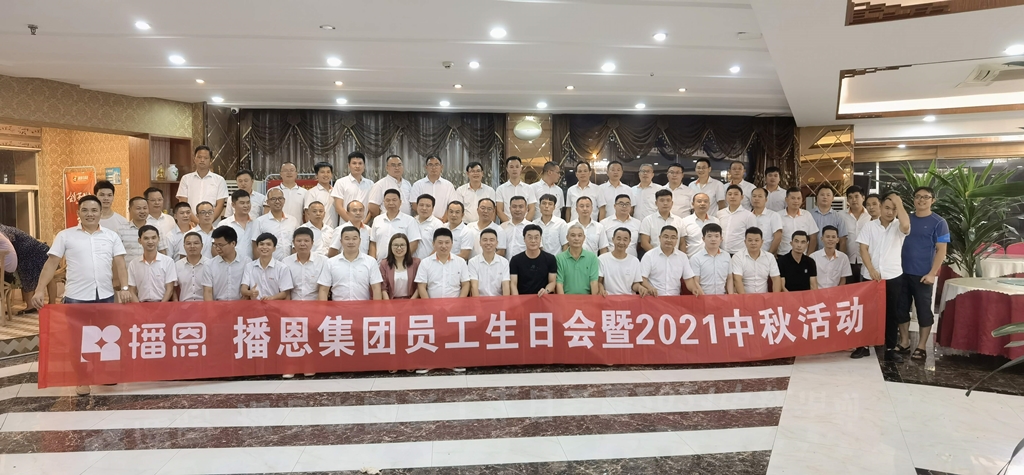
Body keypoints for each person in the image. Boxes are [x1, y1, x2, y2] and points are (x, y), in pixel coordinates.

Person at [33, 195, 130, 396]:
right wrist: (39, 289)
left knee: (107, 338)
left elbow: (120, 263)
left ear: (100, 213)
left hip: (105, 296)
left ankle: (104, 374)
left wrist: (125, 287)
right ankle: (82, 379)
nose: (90, 214)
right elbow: (51, 264)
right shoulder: (65, 236)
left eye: (94, 210)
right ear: (78, 213)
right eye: (85, 210)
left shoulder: (111, 236)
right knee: (77, 342)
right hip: (76, 297)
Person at [857, 192, 911, 362]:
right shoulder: (869, 226)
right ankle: (864, 346)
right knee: (867, 312)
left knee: (891, 313)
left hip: (892, 276)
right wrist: (871, 269)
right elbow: (863, 249)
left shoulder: (898, 227)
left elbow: (906, 224)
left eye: (894, 209)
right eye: (887, 208)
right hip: (870, 276)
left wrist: (898, 202)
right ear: (880, 207)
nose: (890, 212)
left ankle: (890, 349)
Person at [899, 186, 950, 361]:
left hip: (923, 275)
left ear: (933, 200)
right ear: (913, 199)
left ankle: (921, 346)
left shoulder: (939, 222)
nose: (921, 200)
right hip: (901, 273)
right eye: (918, 196)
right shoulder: (906, 219)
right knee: (901, 310)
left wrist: (932, 273)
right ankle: (904, 342)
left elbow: (942, 250)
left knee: (923, 312)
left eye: (926, 197)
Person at [0, 224, 59, 310]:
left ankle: (32, 306)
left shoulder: (2, 231)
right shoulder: (4, 229)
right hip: (37, 249)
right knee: (48, 277)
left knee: (29, 277)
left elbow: (8, 246)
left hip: (28, 251)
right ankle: (50, 304)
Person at [318, 225, 384, 301]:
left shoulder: (371, 262)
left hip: (363, 306)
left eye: (354, 239)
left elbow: (376, 289)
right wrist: (323, 308)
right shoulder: (330, 263)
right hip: (338, 307)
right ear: (341, 241)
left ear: (360, 241)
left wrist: (376, 308)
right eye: (347, 239)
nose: (351, 242)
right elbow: (323, 290)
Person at [640, 226, 702, 296]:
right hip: (654, 297)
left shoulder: (682, 257)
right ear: (659, 238)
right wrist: (650, 288)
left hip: (674, 298)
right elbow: (642, 278)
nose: (669, 240)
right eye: (666, 237)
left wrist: (693, 289)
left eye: (673, 237)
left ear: (677, 239)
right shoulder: (649, 256)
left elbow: (688, 279)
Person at [176, 145, 228, 225]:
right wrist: (196, 222)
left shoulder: (219, 180)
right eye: (199, 157)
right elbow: (183, 203)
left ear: (211, 161)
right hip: (190, 225)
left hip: (212, 225)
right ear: (194, 159)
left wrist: (208, 222)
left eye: (206, 158)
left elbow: (220, 205)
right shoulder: (186, 179)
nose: (202, 160)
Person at [415, 228, 470, 298]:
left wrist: (459, 302)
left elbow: (465, 284)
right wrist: (428, 303)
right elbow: (421, 286)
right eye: (440, 243)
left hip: (455, 303)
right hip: (432, 303)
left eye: (447, 242)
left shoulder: (461, 262)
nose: (444, 246)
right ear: (433, 244)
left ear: (452, 243)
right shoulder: (425, 263)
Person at [127, 225, 176, 302]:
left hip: (163, 304)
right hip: (141, 304)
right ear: (139, 240)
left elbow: (170, 289)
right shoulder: (133, 264)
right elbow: (132, 290)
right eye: (146, 238)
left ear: (158, 239)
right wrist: (139, 307)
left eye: (153, 238)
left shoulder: (168, 262)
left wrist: (161, 307)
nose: (150, 241)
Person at [369, 189, 422, 261]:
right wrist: (373, 261)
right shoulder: (377, 220)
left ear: (400, 202)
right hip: (379, 264)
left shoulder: (409, 220)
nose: (391, 203)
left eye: (394, 200)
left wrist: (401, 260)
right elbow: (373, 242)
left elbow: (413, 243)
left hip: (401, 264)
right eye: (388, 200)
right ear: (384, 203)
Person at [241, 233, 293, 301]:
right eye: (261, 244)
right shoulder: (249, 266)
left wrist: (271, 298)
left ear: (274, 248)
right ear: (257, 248)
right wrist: (250, 292)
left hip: (274, 305)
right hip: (255, 305)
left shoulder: (282, 268)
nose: (264, 247)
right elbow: (243, 289)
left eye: (268, 244)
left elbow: (285, 293)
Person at [202, 226, 249, 301]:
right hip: (217, 305)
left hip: (240, 305)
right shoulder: (209, 265)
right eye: (215, 245)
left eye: (220, 245)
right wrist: (211, 308)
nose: (217, 248)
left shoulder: (246, 263)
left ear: (233, 243)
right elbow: (208, 292)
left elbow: (249, 289)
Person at [510, 224, 557, 296]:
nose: (533, 241)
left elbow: (552, 282)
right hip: (522, 299)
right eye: (530, 237)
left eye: (536, 237)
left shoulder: (550, 259)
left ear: (540, 239)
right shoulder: (515, 260)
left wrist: (546, 290)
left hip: (543, 298)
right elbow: (513, 284)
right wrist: (517, 300)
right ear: (524, 239)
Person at [253, 188, 300, 260]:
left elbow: (297, 242)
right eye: (273, 199)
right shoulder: (260, 221)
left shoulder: (293, 220)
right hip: (269, 264)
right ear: (267, 202)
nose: (277, 201)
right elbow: (255, 245)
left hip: (290, 263)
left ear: (284, 200)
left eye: (280, 198)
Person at [731, 227, 781, 294]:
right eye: (750, 240)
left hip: (764, 297)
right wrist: (744, 298)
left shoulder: (770, 257)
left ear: (762, 242)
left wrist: (775, 297)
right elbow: (737, 279)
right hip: (744, 296)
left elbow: (776, 278)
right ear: (745, 242)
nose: (753, 243)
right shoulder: (738, 257)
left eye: (757, 240)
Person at [597, 227, 647, 296]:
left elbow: (635, 284)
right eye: (618, 239)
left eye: (625, 239)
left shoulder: (634, 261)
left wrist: (639, 288)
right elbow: (599, 281)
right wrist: (602, 290)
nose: (621, 242)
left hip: (628, 299)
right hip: (609, 298)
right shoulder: (602, 259)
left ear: (629, 241)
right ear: (613, 239)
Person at [283, 227, 328, 301]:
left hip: (315, 303)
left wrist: (317, 307)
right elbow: (286, 291)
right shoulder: (286, 262)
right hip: (294, 304)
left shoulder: (323, 261)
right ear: (293, 242)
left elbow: (323, 290)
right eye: (299, 241)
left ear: (312, 243)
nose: (302, 244)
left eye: (306, 241)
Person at [331, 151, 375, 225]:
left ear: (364, 166)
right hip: (346, 226)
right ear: (349, 165)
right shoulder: (341, 182)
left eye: (360, 163)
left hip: (364, 226)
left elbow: (372, 207)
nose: (357, 166)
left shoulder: (370, 184)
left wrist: (364, 223)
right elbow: (338, 207)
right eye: (354, 163)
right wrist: (353, 223)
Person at [121, 196, 169, 263]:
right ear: (129, 210)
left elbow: (162, 251)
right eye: (138, 208)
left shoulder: (157, 228)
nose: (142, 211)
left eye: (145, 208)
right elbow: (118, 255)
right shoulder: (121, 230)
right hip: (129, 268)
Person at [367, 154, 414, 222]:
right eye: (393, 165)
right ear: (387, 168)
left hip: (406, 222)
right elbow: (373, 207)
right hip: (388, 222)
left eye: (399, 165)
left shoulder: (407, 184)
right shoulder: (380, 184)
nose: (397, 168)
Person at [839, 185, 871, 283]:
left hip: (867, 260)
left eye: (856, 196)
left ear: (863, 197)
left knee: (864, 288)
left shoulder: (870, 215)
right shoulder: (840, 215)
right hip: (848, 260)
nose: (853, 200)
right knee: (849, 289)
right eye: (850, 197)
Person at [410, 155, 458, 220]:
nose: (434, 167)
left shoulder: (449, 185)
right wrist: (430, 219)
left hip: (443, 222)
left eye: (436, 164)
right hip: (423, 221)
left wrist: (444, 219)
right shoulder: (417, 185)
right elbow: (414, 205)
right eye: (430, 165)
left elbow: (453, 205)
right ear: (426, 167)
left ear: (441, 167)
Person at [555, 224, 599, 295]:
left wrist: (593, 300)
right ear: (567, 238)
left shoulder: (592, 257)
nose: (576, 238)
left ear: (584, 238)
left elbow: (593, 282)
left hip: (587, 299)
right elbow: (559, 283)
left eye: (579, 235)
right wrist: (563, 301)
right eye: (573, 235)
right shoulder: (559, 258)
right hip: (567, 298)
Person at [690, 223, 732, 295]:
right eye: (709, 236)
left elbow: (730, 278)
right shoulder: (696, 258)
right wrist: (704, 298)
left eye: (716, 236)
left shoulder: (727, 256)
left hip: (723, 297)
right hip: (703, 297)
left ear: (721, 238)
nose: (713, 239)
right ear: (703, 239)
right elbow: (695, 281)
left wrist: (731, 296)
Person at [716, 185, 758, 255]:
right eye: (730, 194)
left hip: (739, 254)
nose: (732, 196)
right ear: (726, 197)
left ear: (742, 197)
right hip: (721, 253)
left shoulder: (749, 216)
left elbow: (753, 236)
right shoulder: (719, 213)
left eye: (736, 194)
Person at [469, 228, 511, 296]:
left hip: (498, 300)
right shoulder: (473, 262)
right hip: (480, 300)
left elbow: (506, 286)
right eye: (485, 240)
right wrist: (477, 303)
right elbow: (474, 286)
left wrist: (505, 302)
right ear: (480, 243)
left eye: (491, 240)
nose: (488, 243)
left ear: (497, 243)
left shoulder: (504, 262)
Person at [379, 233, 420, 299]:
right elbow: (383, 288)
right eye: (396, 245)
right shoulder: (384, 264)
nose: (399, 248)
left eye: (402, 245)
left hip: (412, 301)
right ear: (390, 247)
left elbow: (419, 286)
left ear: (407, 247)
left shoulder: (416, 263)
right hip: (391, 301)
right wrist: (388, 304)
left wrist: (411, 302)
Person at [496, 156, 537, 222]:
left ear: (521, 168)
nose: (514, 169)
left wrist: (524, 224)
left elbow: (532, 209)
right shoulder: (500, 189)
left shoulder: (529, 188)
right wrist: (509, 225)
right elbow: (499, 210)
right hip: (507, 225)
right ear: (507, 169)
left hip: (525, 226)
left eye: (517, 167)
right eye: (511, 167)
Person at [779, 187, 819, 256]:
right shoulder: (778, 215)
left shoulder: (807, 215)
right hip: (782, 255)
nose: (796, 201)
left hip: (802, 256)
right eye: (793, 198)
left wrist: (809, 255)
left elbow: (813, 237)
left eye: (798, 198)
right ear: (786, 199)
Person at [219, 190, 257, 261]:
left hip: (252, 264)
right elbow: (217, 247)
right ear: (233, 205)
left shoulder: (256, 223)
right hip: (231, 264)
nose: (246, 206)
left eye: (248, 202)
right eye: (242, 203)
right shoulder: (224, 224)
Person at [680, 193, 719, 257]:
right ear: (693, 204)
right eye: (699, 201)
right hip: (691, 258)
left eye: (705, 201)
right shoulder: (684, 221)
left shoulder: (715, 221)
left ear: (709, 204)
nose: (703, 204)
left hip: (711, 258)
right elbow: (682, 243)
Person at [810, 186, 848, 252]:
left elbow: (842, 241)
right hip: (813, 254)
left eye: (828, 195)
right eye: (822, 195)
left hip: (832, 255)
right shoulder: (809, 215)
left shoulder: (839, 217)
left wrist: (841, 256)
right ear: (817, 197)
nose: (825, 197)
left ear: (832, 198)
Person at [174, 232, 207, 302]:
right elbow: (174, 289)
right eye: (188, 243)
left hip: (204, 305)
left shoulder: (209, 264)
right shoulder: (177, 265)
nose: (192, 246)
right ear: (184, 246)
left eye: (196, 243)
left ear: (202, 246)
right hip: (184, 306)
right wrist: (176, 305)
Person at [304, 161, 338, 227]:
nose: (326, 175)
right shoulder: (311, 192)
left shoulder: (336, 191)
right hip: (318, 229)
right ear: (316, 175)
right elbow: (307, 214)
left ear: (331, 174)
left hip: (334, 229)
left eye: (328, 172)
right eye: (322, 172)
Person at [750, 187, 783, 255]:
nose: (756, 198)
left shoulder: (773, 215)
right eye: (754, 196)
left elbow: (778, 237)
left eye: (760, 196)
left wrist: (769, 255)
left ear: (766, 199)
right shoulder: (747, 216)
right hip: (749, 255)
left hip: (766, 254)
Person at [412, 194, 444, 259]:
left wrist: (427, 262)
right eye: (421, 205)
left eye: (428, 206)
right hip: (411, 262)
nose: (424, 208)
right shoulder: (411, 221)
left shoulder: (438, 224)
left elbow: (440, 246)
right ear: (417, 206)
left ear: (433, 208)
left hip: (430, 262)